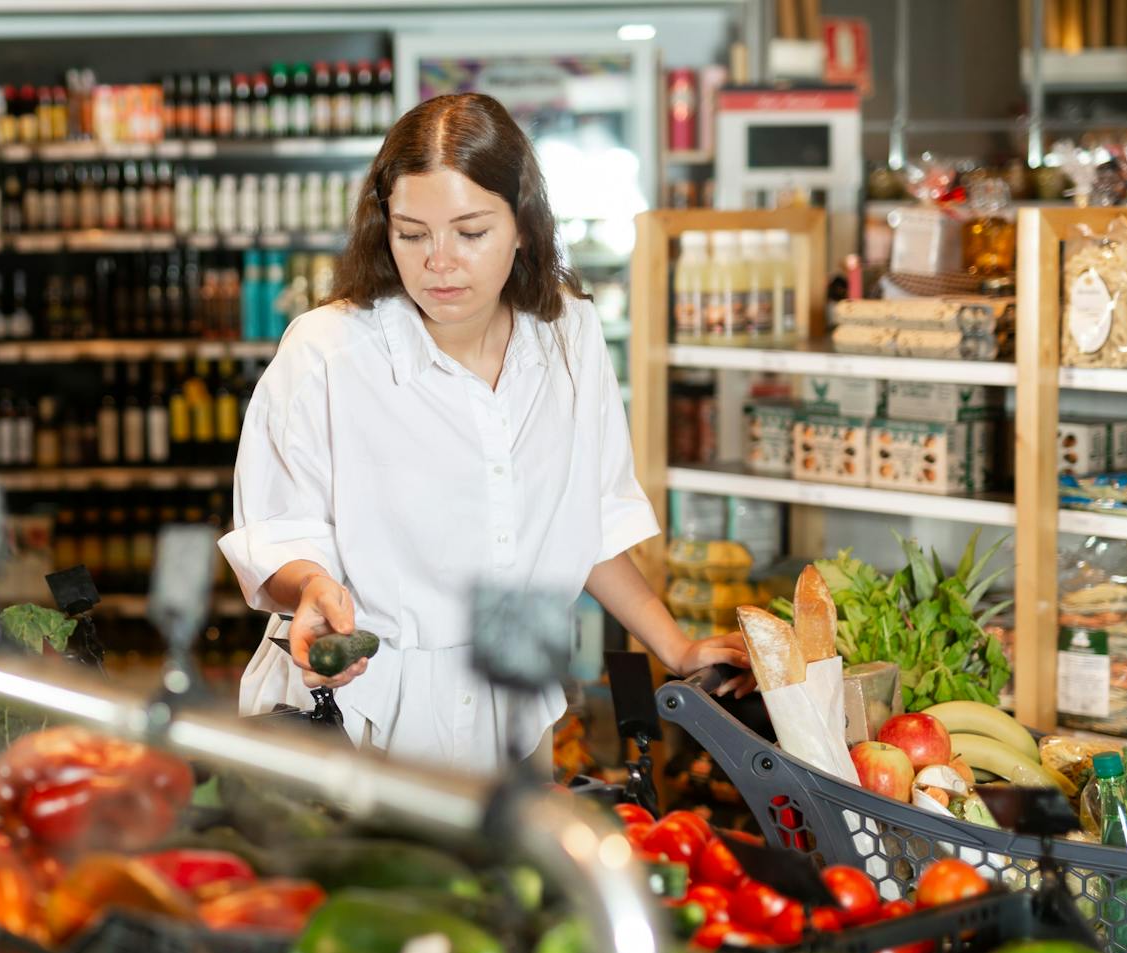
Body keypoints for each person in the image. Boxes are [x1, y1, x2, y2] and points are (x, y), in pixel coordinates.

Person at [219, 93, 750, 777]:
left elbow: (586, 519)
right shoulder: (326, 350)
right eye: (412, 234)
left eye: (470, 232)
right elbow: (277, 531)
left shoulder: (568, 334)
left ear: (523, 225)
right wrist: (312, 586)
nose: (439, 262)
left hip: (512, 706)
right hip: (359, 708)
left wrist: (676, 647)